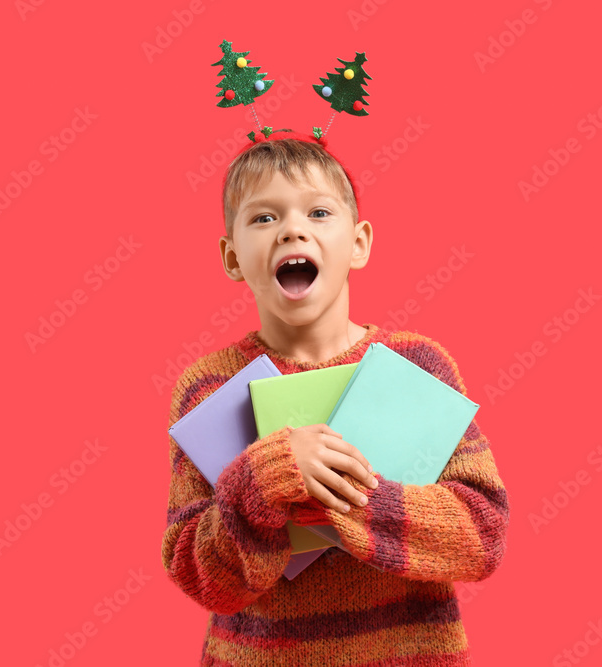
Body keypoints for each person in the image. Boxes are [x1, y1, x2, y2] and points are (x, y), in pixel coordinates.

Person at [162, 130, 510, 666]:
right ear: (232, 257)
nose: (291, 230)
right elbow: (200, 575)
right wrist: (263, 480)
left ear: (359, 243)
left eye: (319, 213)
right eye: (264, 217)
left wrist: (341, 495)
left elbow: (481, 536)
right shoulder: (208, 387)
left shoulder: (418, 365)